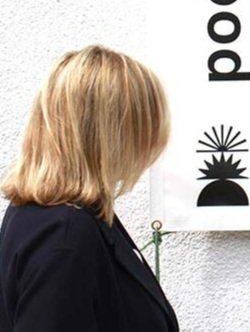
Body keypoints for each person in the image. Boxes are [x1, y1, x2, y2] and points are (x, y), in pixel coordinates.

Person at [0, 44, 179, 332]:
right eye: (145, 124)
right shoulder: (64, 233)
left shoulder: (53, 213)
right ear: (113, 134)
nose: (155, 138)